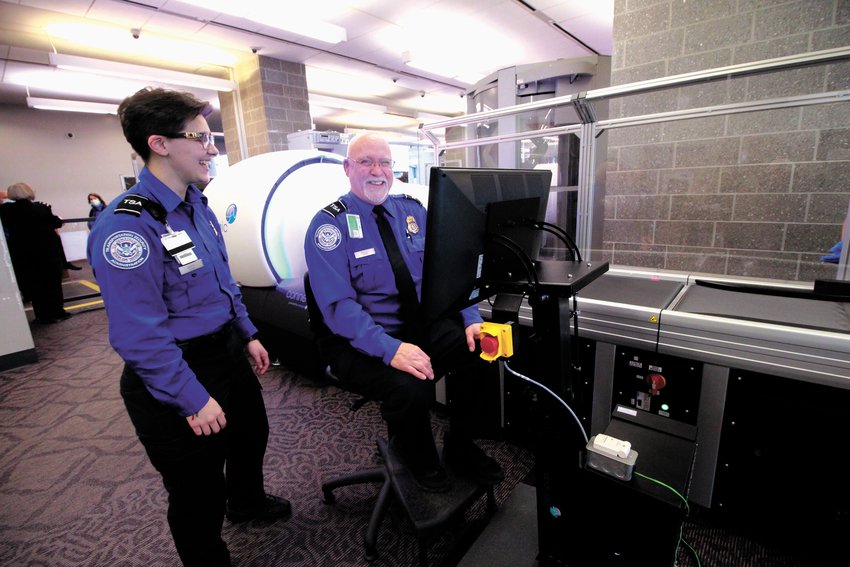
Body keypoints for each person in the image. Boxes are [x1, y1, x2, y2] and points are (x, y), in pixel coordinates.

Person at [87, 87, 290, 567]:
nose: (212, 147)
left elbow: (222, 279)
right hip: (175, 370)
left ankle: (247, 504)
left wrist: (247, 332)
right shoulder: (127, 227)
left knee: (249, 435)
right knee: (198, 486)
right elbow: (140, 336)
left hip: (225, 350)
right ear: (159, 144)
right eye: (199, 137)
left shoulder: (196, 203)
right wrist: (190, 399)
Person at [304, 133, 504, 492]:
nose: (377, 171)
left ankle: (460, 445)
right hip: (359, 339)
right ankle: (419, 459)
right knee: (409, 388)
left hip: (418, 325)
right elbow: (339, 308)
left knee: (484, 350)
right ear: (348, 168)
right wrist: (390, 349)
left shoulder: (413, 212)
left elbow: (451, 272)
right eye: (366, 162)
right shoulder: (329, 227)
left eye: (384, 162)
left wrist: (472, 319)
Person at [0, 182, 71, 323]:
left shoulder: (6, 210)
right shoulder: (40, 207)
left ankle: (41, 314)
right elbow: (55, 222)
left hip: (23, 253)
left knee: (35, 285)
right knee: (52, 283)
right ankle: (57, 312)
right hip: (46, 252)